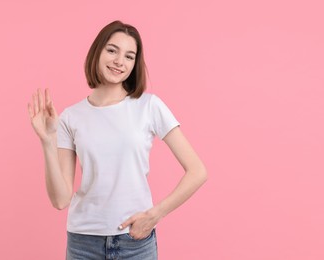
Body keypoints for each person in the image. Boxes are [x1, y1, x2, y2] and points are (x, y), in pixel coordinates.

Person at [27, 20, 207, 260]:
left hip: (135, 241)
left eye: (129, 56)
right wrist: (48, 141)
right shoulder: (71, 117)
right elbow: (60, 200)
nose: (119, 61)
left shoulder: (149, 106)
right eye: (112, 50)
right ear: (98, 51)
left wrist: (156, 215)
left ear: (135, 64)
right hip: (83, 244)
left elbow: (197, 171)